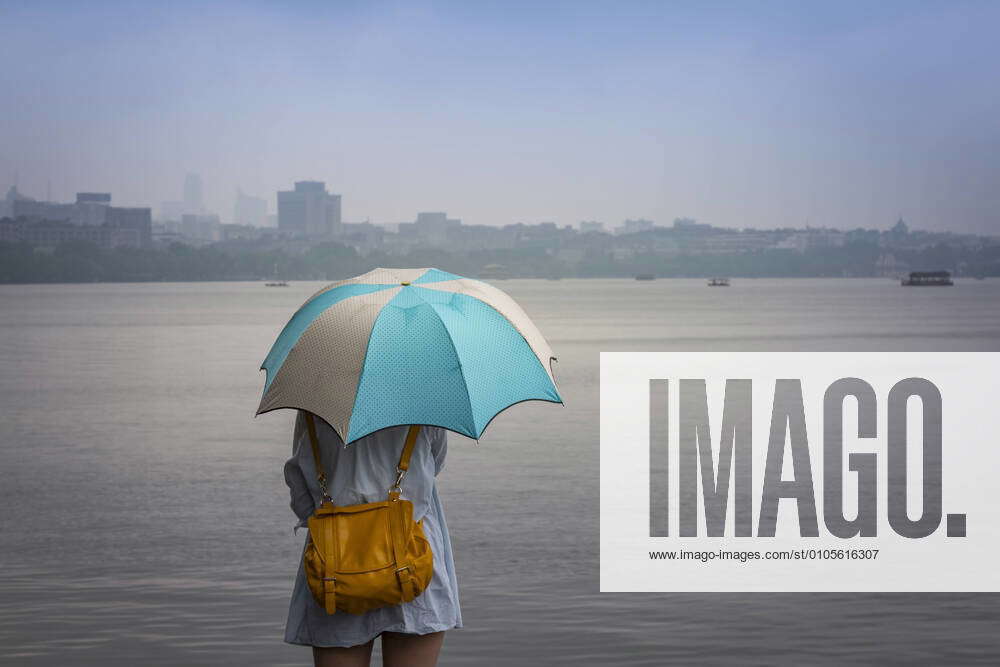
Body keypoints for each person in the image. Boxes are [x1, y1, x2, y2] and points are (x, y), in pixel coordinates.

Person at [283, 411, 462, 667]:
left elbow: (301, 494)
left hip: (335, 568)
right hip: (413, 560)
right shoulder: (423, 401)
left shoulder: (317, 404)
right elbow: (435, 465)